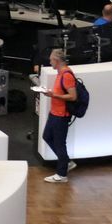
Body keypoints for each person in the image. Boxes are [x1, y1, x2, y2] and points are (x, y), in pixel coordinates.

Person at [42, 49, 78, 183]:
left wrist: (53, 95)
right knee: (47, 136)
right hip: (54, 113)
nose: (50, 62)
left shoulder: (67, 75)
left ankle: (62, 174)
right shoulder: (60, 73)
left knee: (59, 143)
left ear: (57, 61)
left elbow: (73, 96)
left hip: (61, 115)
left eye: (51, 60)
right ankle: (66, 162)